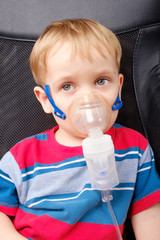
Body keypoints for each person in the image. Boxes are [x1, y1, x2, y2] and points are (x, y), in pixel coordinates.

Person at [0, 19, 160, 240]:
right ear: (46, 99)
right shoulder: (22, 158)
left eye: (101, 81)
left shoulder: (134, 149)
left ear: (119, 87)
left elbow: (148, 212)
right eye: (67, 86)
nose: (88, 98)